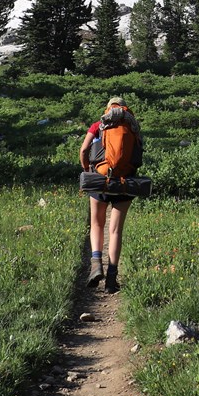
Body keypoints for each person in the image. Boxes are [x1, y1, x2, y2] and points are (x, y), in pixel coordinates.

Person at [79, 96, 141, 293]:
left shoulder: (98, 125)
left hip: (100, 179)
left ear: (108, 109)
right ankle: (112, 278)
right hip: (125, 183)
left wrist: (88, 169)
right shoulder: (133, 127)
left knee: (97, 224)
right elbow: (138, 156)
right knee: (115, 231)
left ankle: (96, 264)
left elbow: (83, 150)